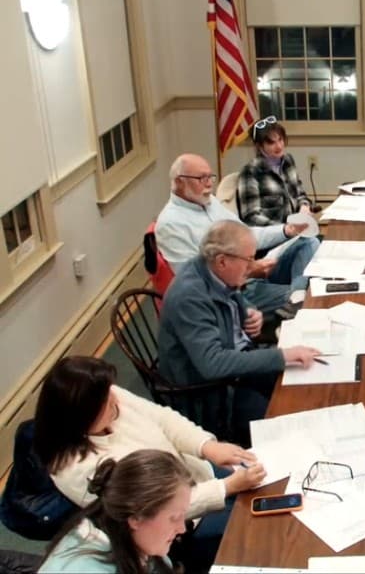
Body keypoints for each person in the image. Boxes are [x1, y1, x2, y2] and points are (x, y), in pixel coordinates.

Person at [32, 357, 266, 573]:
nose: (115, 398)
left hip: (193, 477)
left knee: (267, 492)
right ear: (81, 415)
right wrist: (225, 488)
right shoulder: (74, 469)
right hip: (177, 521)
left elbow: (163, 418)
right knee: (255, 531)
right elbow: (153, 511)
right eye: (105, 401)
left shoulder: (107, 395)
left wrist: (207, 446)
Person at [158, 220, 320, 445]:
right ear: (222, 261)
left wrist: (248, 310)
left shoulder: (211, 269)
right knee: (286, 427)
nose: (253, 266)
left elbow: (230, 293)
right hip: (212, 393)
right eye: (249, 259)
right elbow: (213, 364)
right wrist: (281, 356)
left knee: (308, 385)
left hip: (237, 365)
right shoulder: (188, 297)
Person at [155, 153, 319, 315]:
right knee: (314, 297)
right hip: (230, 294)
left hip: (251, 276)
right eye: (201, 179)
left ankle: (296, 296)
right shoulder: (170, 223)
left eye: (210, 177)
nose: (209, 185)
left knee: (308, 241)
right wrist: (248, 270)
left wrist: (287, 230)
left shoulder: (210, 202)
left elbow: (247, 235)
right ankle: (298, 297)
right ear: (179, 182)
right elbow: (193, 280)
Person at [39, 449, 192, 573]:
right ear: (136, 518)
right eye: (174, 517)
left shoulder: (140, 541)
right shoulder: (82, 568)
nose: (182, 528)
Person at [238, 116, 313, 227]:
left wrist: (304, 207)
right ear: (259, 146)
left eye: (280, 140)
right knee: (314, 243)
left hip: (295, 230)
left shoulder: (288, 161)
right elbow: (250, 217)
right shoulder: (250, 172)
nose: (278, 146)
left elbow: (300, 195)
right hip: (272, 236)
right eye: (271, 143)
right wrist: (283, 230)